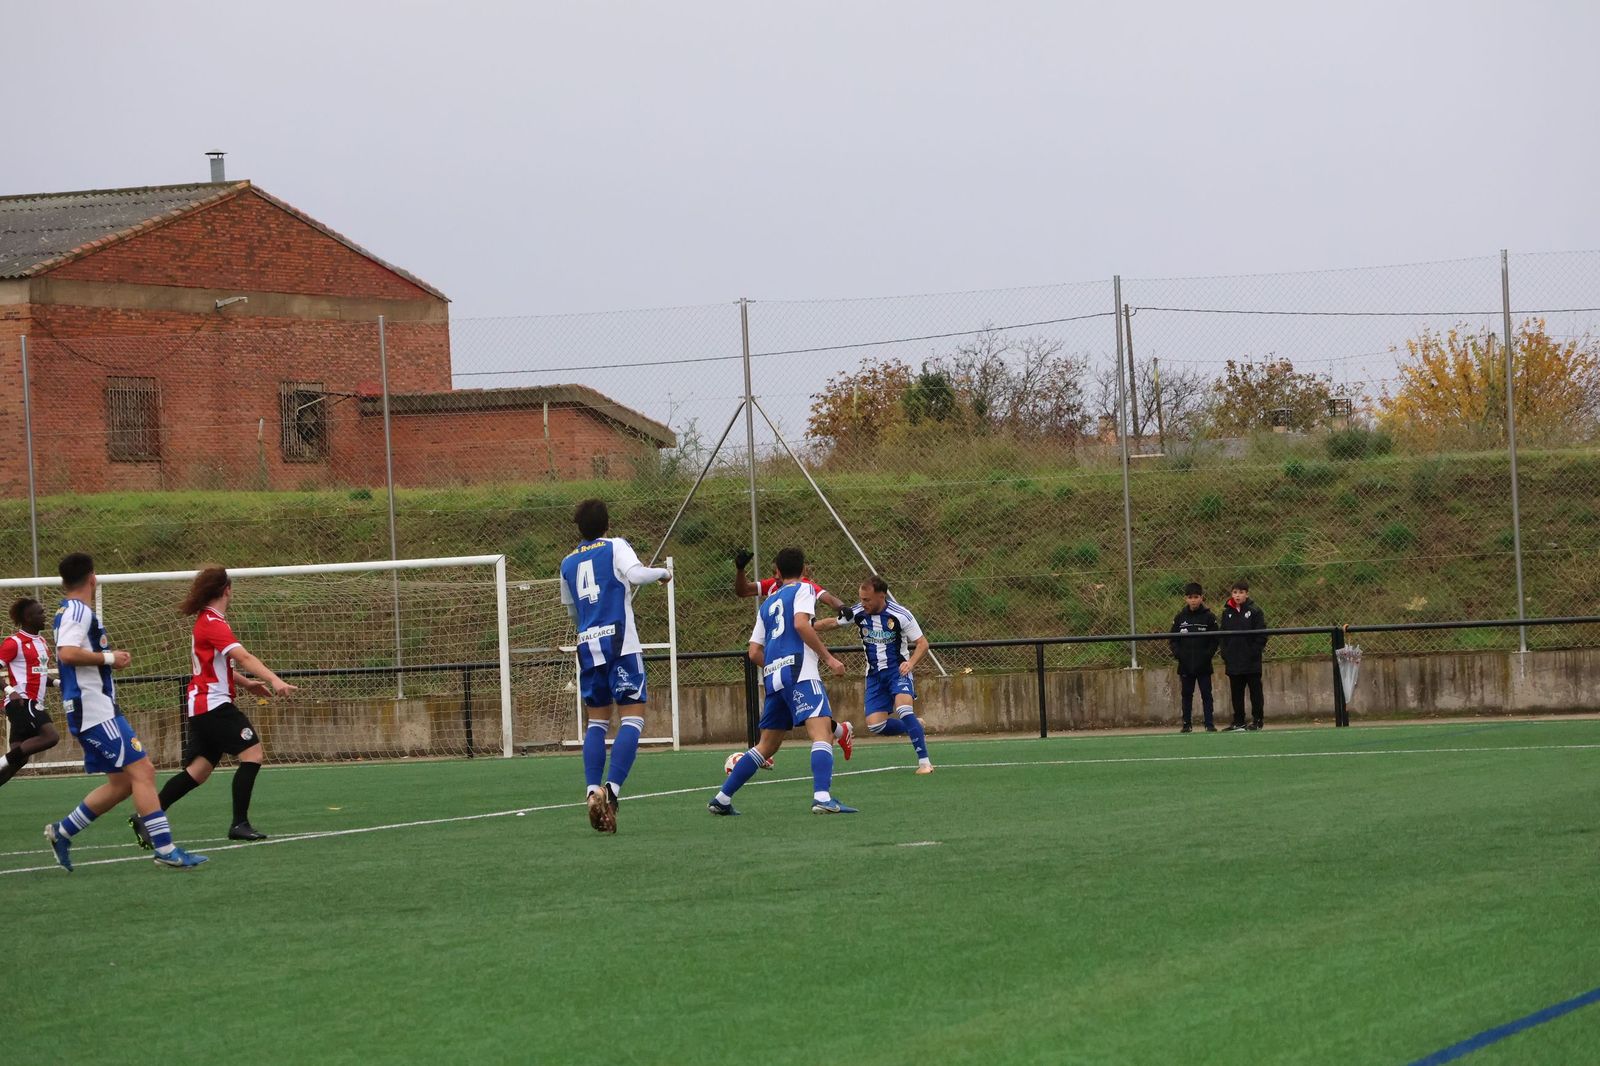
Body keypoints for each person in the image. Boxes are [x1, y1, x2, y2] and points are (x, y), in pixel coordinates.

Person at [43, 552, 206, 871]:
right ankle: (165, 849)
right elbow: (67, 653)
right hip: (93, 708)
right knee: (143, 771)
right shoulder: (77, 609)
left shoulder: (69, 609)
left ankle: (62, 832)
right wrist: (109, 658)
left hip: (92, 706)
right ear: (92, 577)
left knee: (121, 784)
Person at [132, 566, 297, 847]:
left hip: (201, 705)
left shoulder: (207, 621)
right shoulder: (213, 622)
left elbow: (217, 667)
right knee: (253, 754)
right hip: (213, 705)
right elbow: (243, 656)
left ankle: (146, 817)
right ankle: (239, 824)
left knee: (199, 770)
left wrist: (247, 685)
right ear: (227, 590)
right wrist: (274, 679)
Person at [709, 546, 857, 816]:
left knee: (766, 745)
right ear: (804, 570)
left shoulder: (767, 604)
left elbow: (754, 651)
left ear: (777, 572)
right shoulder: (804, 589)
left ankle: (722, 798)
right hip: (799, 670)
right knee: (821, 732)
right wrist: (828, 659)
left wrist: (777, 665)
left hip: (773, 675)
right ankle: (823, 797)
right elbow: (801, 624)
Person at [559, 498, 672, 834]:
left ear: (579, 528)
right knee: (633, 719)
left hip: (588, 644)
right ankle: (613, 791)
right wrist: (664, 573)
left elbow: (572, 613)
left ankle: (593, 789)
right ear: (607, 525)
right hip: (620, 643)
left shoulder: (567, 563)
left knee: (596, 723)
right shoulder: (615, 546)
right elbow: (636, 574)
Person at [828, 575, 933, 772]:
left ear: (881, 596)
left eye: (866, 599)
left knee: (903, 710)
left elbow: (922, 644)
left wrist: (910, 663)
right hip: (874, 675)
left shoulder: (900, 614)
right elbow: (833, 623)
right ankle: (914, 726)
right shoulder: (859, 612)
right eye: (861, 598)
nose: (862, 603)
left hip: (897, 671)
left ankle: (924, 762)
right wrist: (809, 625)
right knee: (875, 726)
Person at [0, 598, 61, 788]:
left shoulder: (42, 642)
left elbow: (40, 676)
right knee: (51, 737)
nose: (45, 616)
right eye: (40, 613)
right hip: (22, 702)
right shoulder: (14, 643)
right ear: (28, 618)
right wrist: (9, 690)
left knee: (19, 758)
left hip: (32, 703)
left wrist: (59, 683)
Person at [734, 549, 851, 618]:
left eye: (777, 572)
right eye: (772, 573)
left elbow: (827, 598)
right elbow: (743, 591)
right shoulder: (771, 584)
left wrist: (842, 607)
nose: (775, 576)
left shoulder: (805, 586)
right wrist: (740, 569)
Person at [1169, 582, 1220, 733]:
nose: (1193, 600)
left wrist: (1206, 655)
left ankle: (1209, 724)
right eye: (1190, 597)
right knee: (1186, 694)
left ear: (1202, 598)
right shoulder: (1180, 617)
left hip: (1203, 664)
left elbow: (1215, 640)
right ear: (1186, 598)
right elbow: (1173, 639)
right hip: (1185, 665)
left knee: (1206, 694)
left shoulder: (1209, 617)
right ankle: (1186, 723)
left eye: (1196, 597)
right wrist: (1179, 655)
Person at [1219, 579, 1269, 731]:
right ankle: (1238, 720)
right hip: (1234, 661)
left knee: (1255, 691)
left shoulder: (1255, 611)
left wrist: (1253, 652)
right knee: (1236, 692)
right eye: (1235, 592)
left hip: (1251, 661)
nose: (1237, 595)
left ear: (1247, 594)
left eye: (1241, 592)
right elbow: (1222, 636)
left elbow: (1261, 636)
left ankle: (1257, 720)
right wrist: (1226, 653)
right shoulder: (1227, 613)